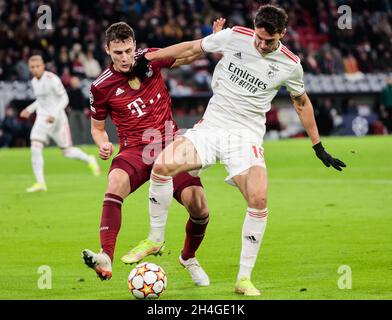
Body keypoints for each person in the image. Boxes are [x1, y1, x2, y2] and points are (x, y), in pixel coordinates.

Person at [136, 5, 346, 296]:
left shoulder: (290, 64)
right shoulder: (234, 36)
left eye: (269, 41)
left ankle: (243, 279)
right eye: (259, 38)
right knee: (161, 165)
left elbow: (301, 102)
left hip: (246, 138)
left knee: (259, 198)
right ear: (255, 28)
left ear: (283, 34)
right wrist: (150, 56)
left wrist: (317, 144)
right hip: (212, 127)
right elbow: (192, 47)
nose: (261, 45)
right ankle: (155, 239)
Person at [81, 20, 224, 284]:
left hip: (170, 144)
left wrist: (211, 42)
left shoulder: (149, 61)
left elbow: (186, 54)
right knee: (114, 183)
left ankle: (188, 257)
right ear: (107, 51)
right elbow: (97, 128)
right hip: (135, 150)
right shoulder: (100, 87)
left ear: (134, 45)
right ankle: (106, 256)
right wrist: (102, 143)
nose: (124, 58)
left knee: (199, 206)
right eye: (117, 53)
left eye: (127, 51)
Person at [20, 55, 101, 193]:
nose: (35, 70)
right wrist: (29, 109)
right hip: (42, 118)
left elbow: (64, 99)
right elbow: (41, 100)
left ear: (43, 66)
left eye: (37, 66)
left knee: (67, 152)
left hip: (58, 119)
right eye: (32, 67)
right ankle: (40, 183)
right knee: (35, 145)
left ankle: (89, 159)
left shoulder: (52, 79)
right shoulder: (34, 81)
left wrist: (54, 114)